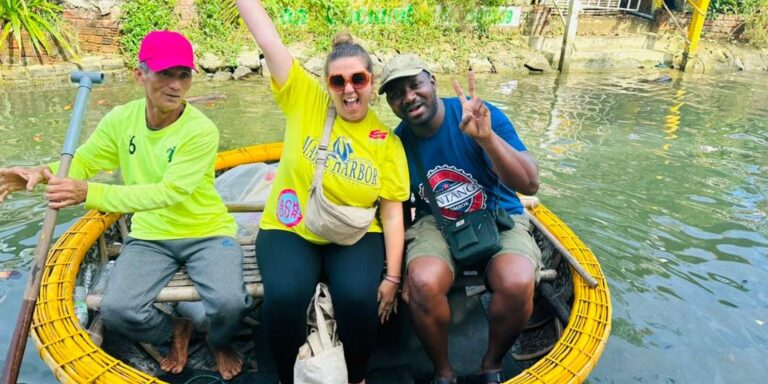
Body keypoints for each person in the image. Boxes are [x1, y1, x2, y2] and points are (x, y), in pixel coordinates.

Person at [0, 31, 253, 380]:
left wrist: (89, 193)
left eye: (184, 75)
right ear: (140, 75)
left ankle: (220, 341)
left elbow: (169, 192)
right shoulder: (121, 120)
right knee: (119, 310)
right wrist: (42, 173)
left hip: (207, 232)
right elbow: (83, 163)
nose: (176, 85)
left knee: (230, 305)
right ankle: (174, 332)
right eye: (165, 73)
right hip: (150, 237)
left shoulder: (201, 130)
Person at [235, 1, 410, 383]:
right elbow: (268, 39)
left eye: (358, 80)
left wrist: (393, 278)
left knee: (358, 300)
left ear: (371, 81)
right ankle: (288, 377)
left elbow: (393, 212)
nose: (349, 90)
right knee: (283, 299)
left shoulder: (386, 141)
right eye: (338, 81)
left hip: (356, 232)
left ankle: (357, 376)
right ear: (327, 84)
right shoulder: (304, 99)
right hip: (290, 227)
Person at [378, 54, 542, 384]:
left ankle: (492, 364)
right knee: (423, 281)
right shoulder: (397, 144)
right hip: (436, 224)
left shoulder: (480, 115)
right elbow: (399, 209)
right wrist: (404, 268)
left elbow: (529, 183)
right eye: (396, 93)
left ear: (432, 82)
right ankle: (443, 371)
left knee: (517, 280)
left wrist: (486, 138)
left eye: (415, 85)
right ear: (391, 103)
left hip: (498, 214)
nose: (408, 97)